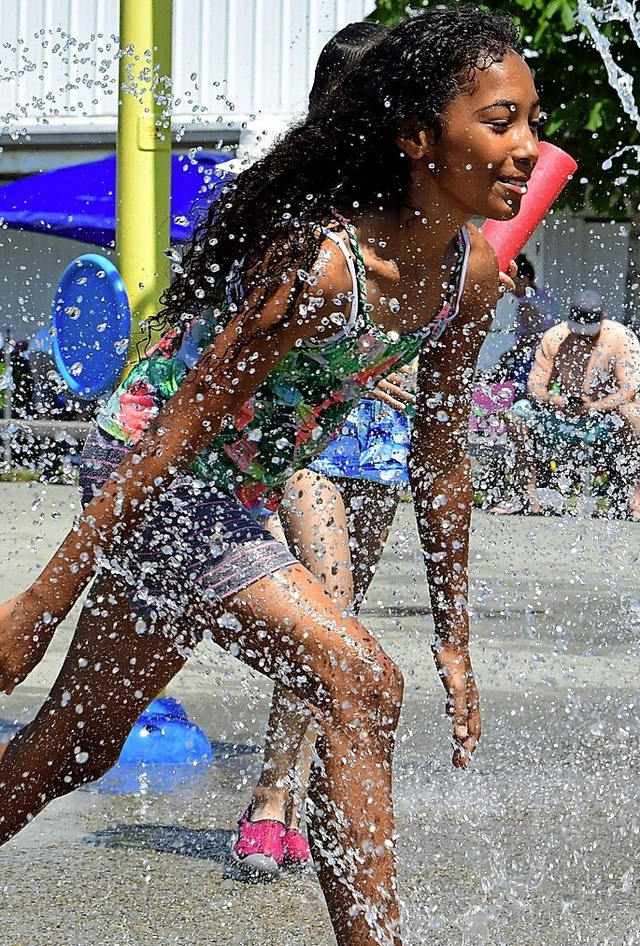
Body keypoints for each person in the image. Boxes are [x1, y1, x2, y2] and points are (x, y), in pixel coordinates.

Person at [0, 10, 542, 945]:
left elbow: (443, 450)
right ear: (417, 137)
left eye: (533, 118)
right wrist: (38, 607)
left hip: (231, 489)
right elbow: (178, 428)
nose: (528, 147)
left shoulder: (472, 270)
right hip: (155, 468)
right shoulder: (325, 264)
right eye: (500, 122)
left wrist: (454, 637)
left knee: (69, 750)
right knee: (360, 683)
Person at [492, 290, 640, 518]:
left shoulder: (622, 339)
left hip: (603, 417)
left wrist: (594, 406)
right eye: (578, 333)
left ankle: (636, 501)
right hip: (562, 414)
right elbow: (535, 386)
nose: (582, 339)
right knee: (516, 414)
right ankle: (526, 498)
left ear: (604, 318)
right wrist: (556, 401)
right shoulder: (554, 337)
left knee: (634, 413)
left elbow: (628, 390)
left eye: (588, 334)